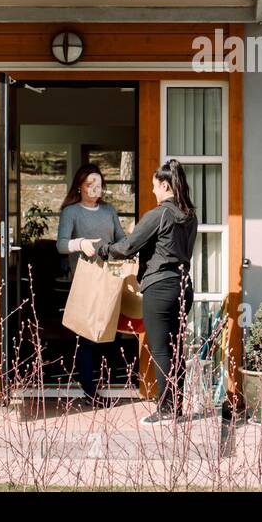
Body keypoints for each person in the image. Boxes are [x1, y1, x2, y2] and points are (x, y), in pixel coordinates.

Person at [82, 159, 198, 425]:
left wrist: (103, 250)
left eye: (155, 186)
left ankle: (166, 409)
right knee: (175, 347)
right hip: (183, 285)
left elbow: (128, 246)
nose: (153, 192)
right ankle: (175, 406)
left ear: (166, 185)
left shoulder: (159, 214)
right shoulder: (189, 215)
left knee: (160, 350)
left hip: (160, 287)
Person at [56, 163, 127, 404]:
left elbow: (122, 240)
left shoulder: (109, 211)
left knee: (110, 332)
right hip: (84, 280)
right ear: (80, 187)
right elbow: (61, 244)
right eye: (90, 185)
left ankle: (112, 381)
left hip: (110, 279)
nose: (95, 189)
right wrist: (81, 243)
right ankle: (89, 390)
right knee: (86, 336)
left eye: (98, 185)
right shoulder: (71, 212)